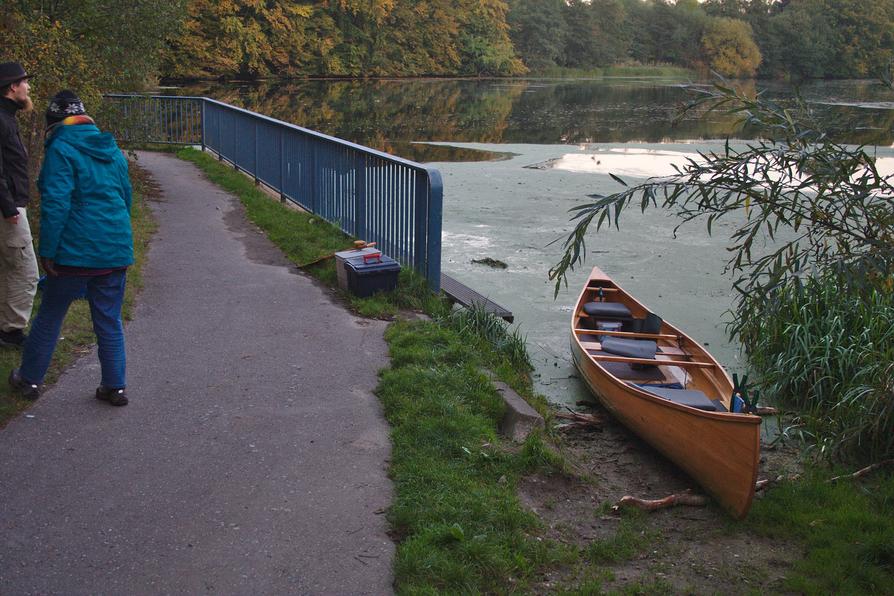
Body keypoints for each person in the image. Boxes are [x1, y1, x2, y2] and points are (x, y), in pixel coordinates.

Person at [8, 90, 133, 405]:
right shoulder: (111, 147)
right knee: (108, 317)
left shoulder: (61, 148)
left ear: (54, 122)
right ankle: (114, 386)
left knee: (51, 312)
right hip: (115, 248)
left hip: (75, 252)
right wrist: (117, 236)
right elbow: (126, 196)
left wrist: (48, 251)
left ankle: (30, 379)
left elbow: (56, 204)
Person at [0, 61, 39, 347]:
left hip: (10, 204)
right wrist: (9, 206)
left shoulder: (7, 116)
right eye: (24, 82)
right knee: (26, 272)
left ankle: (6, 330)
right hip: (8, 208)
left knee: (8, 267)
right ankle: (12, 331)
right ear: (13, 87)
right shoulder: (1, 119)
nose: (28, 87)